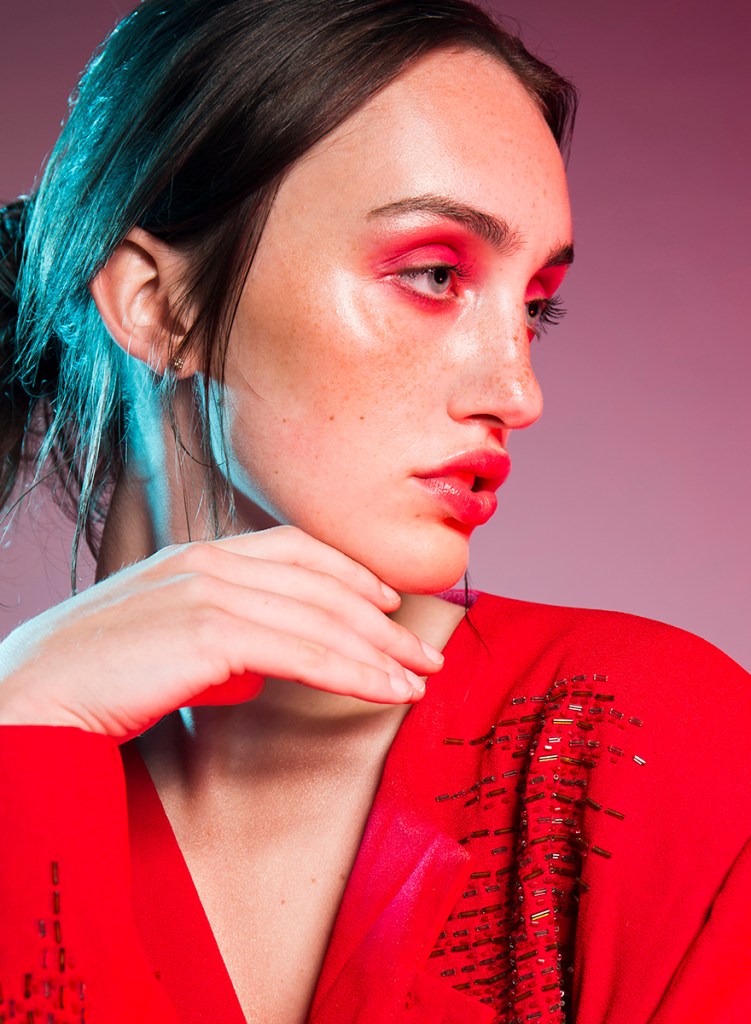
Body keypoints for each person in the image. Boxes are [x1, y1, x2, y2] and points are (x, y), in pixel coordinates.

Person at [0, 1, 749, 1022]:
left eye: (534, 307)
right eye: (433, 275)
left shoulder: (631, 749)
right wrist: (24, 737)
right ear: (157, 303)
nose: (517, 391)